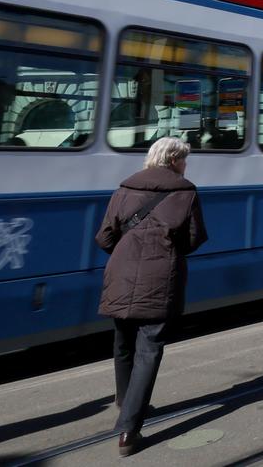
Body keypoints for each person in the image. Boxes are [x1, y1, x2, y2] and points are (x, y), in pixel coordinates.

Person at [95, 137, 207, 457]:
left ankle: (124, 399)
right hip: (161, 279)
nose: (186, 166)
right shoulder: (186, 192)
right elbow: (194, 238)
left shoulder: (124, 188)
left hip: (121, 274)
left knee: (123, 343)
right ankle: (129, 430)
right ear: (173, 160)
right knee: (149, 349)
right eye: (184, 160)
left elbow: (104, 237)